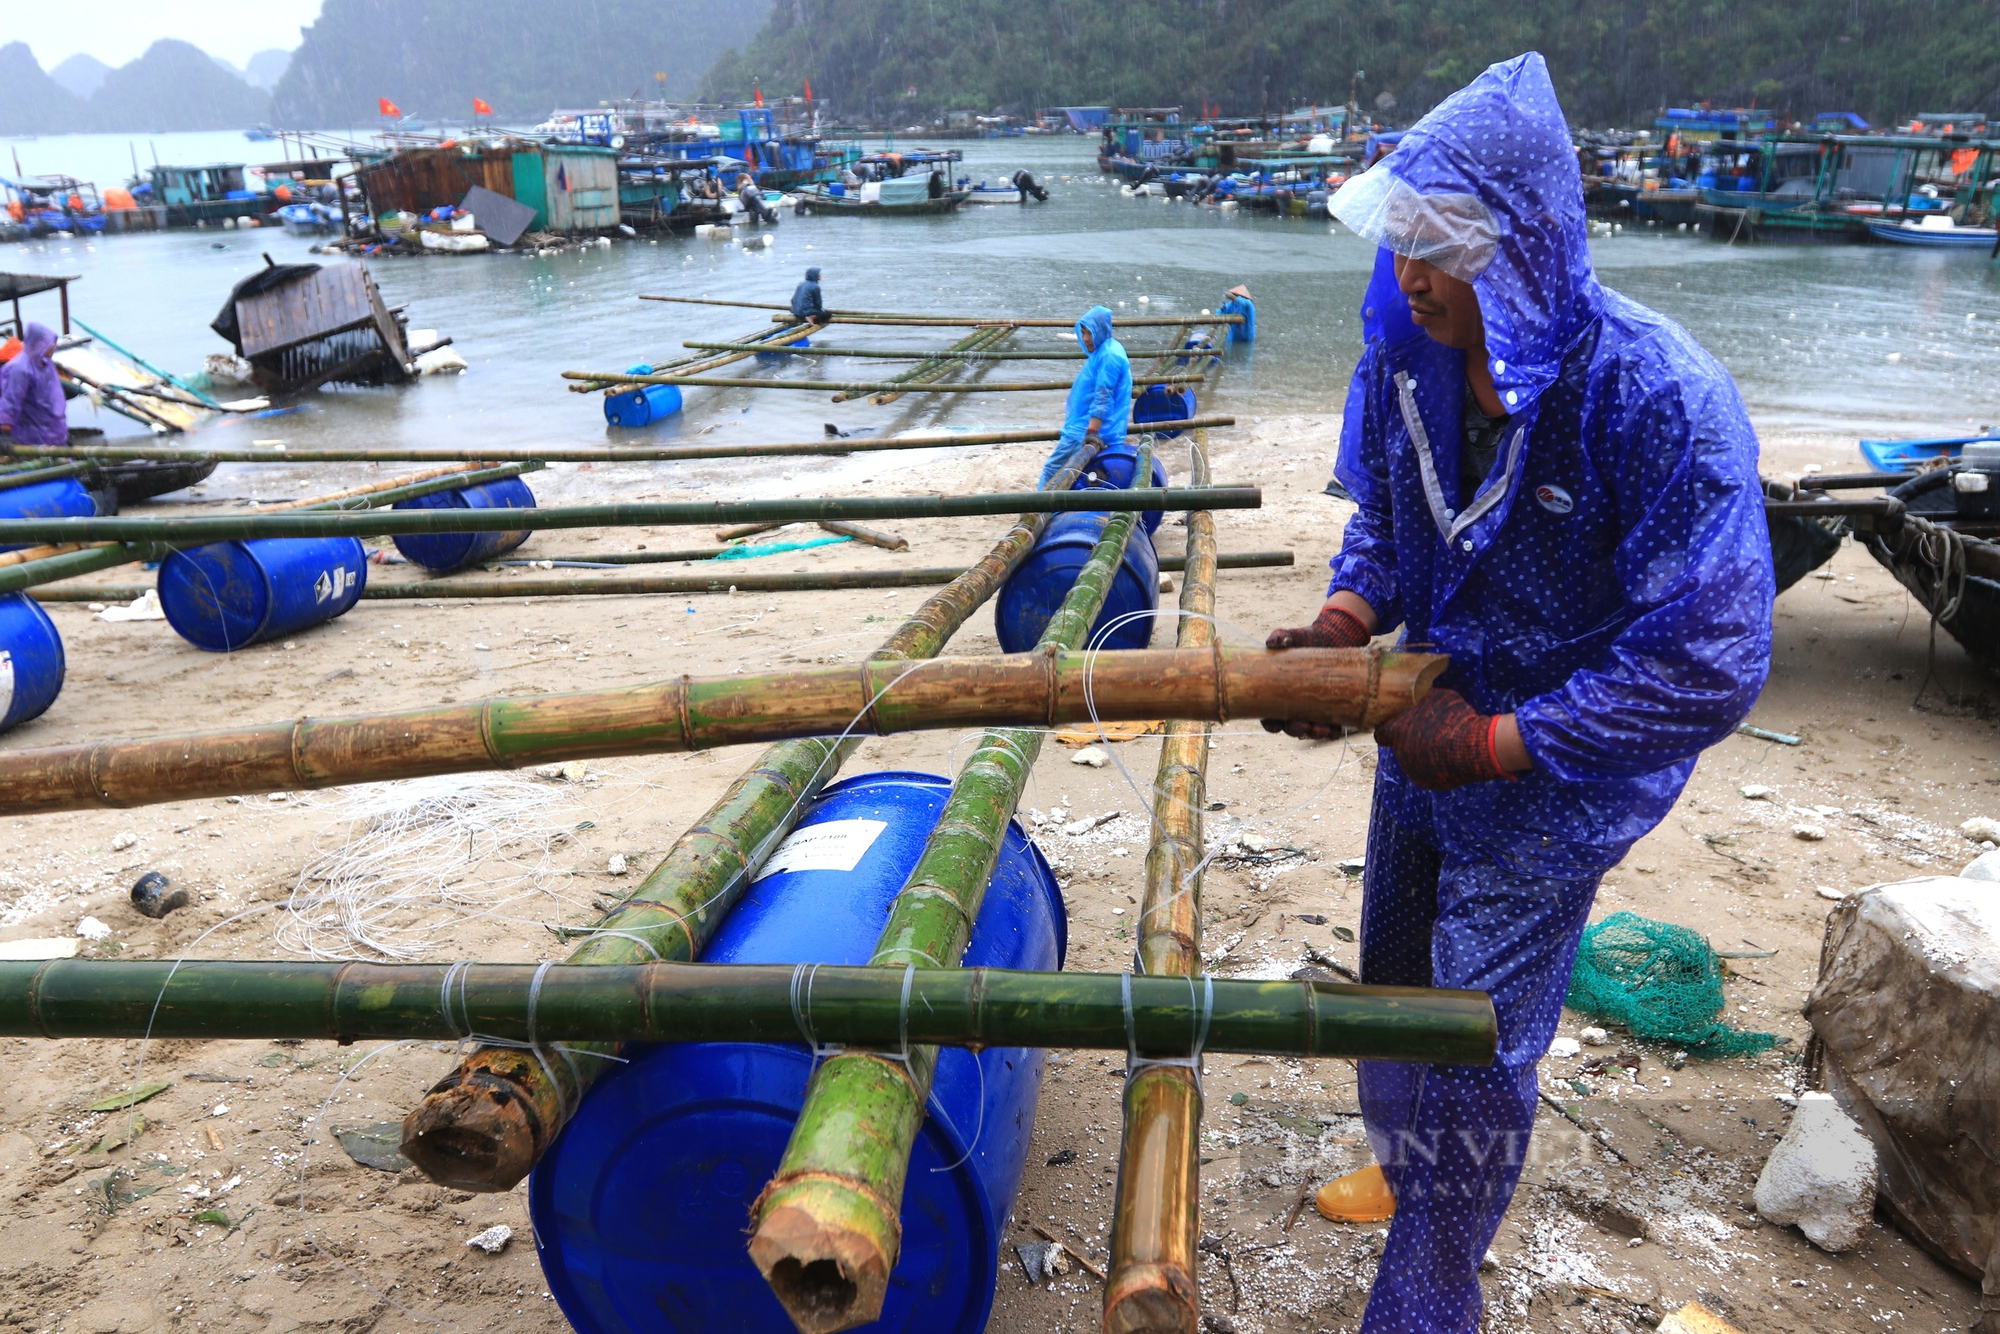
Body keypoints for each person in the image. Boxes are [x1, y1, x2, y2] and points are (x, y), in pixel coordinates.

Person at [1263, 53, 1771, 1334]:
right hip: (1419, 728)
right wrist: (1341, 622)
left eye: (1445, 248)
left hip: (1552, 768)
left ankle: (1432, 1292)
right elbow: (1385, 521)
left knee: (1481, 1031)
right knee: (1390, 969)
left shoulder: (1656, 402)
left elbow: (1706, 658)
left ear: (1527, 248)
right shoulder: (1404, 359)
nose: (1414, 274)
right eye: (1404, 241)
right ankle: (1401, 1170)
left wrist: (1499, 740)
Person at [1037, 306, 1129, 488]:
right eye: (1083, 332)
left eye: (1091, 333)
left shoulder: (1109, 356)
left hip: (1085, 428)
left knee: (1053, 470)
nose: (1086, 339)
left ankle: (1038, 512)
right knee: (1076, 473)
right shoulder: (1106, 349)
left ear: (1101, 331)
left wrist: (1092, 432)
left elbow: (1104, 395)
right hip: (1089, 425)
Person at [0, 322, 70, 447]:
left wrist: (62, 434)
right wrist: (5, 431)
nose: (53, 346)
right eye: (48, 343)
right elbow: (10, 402)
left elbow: (54, 396)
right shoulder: (20, 369)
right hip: (31, 436)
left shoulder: (46, 363)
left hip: (54, 433)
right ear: (37, 344)